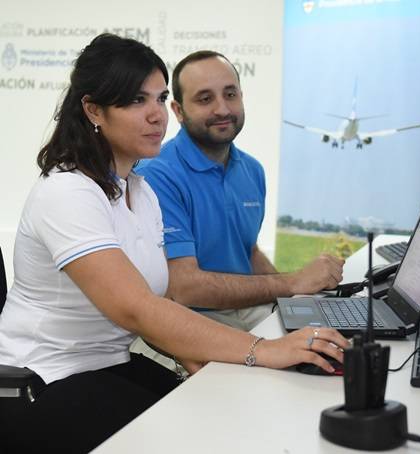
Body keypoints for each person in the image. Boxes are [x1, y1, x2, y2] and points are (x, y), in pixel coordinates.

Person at [0, 34, 348, 454]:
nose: (156, 115)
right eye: (136, 101)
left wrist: (194, 351)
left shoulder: (139, 191)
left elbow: (157, 300)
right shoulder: (67, 192)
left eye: (160, 98)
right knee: (202, 437)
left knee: (230, 413)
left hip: (109, 363)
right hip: (45, 378)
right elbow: (137, 308)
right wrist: (265, 349)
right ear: (93, 110)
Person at [136, 50, 344, 331]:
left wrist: (299, 296)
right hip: (187, 318)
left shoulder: (252, 170)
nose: (222, 109)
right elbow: (185, 288)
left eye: (230, 94)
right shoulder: (157, 175)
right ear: (178, 111)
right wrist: (293, 281)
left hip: (247, 309)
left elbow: (248, 252)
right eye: (205, 99)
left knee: (334, 339)